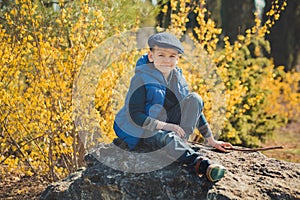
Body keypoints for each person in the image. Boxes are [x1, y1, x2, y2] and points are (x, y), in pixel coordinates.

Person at [113, 32, 233, 182]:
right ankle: (201, 165)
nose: (166, 61)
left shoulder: (177, 77)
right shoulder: (141, 78)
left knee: (195, 98)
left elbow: (195, 110)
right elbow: (135, 115)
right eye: (161, 55)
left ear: (177, 59)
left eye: (172, 56)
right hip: (143, 129)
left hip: (168, 126)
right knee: (166, 137)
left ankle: (180, 143)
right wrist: (166, 126)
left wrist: (211, 140)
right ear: (151, 56)